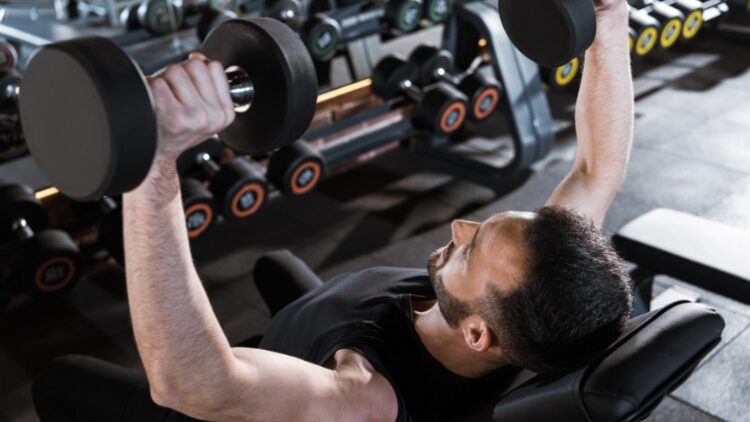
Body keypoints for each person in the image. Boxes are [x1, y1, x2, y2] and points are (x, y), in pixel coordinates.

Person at [32, 0, 634, 420]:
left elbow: (193, 383)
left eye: (471, 248)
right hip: (337, 316)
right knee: (275, 264)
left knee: (60, 378)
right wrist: (609, 20)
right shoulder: (535, 298)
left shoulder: (364, 398)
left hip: (235, 404)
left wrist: (155, 163)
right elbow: (596, 168)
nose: (460, 226)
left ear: (477, 333)